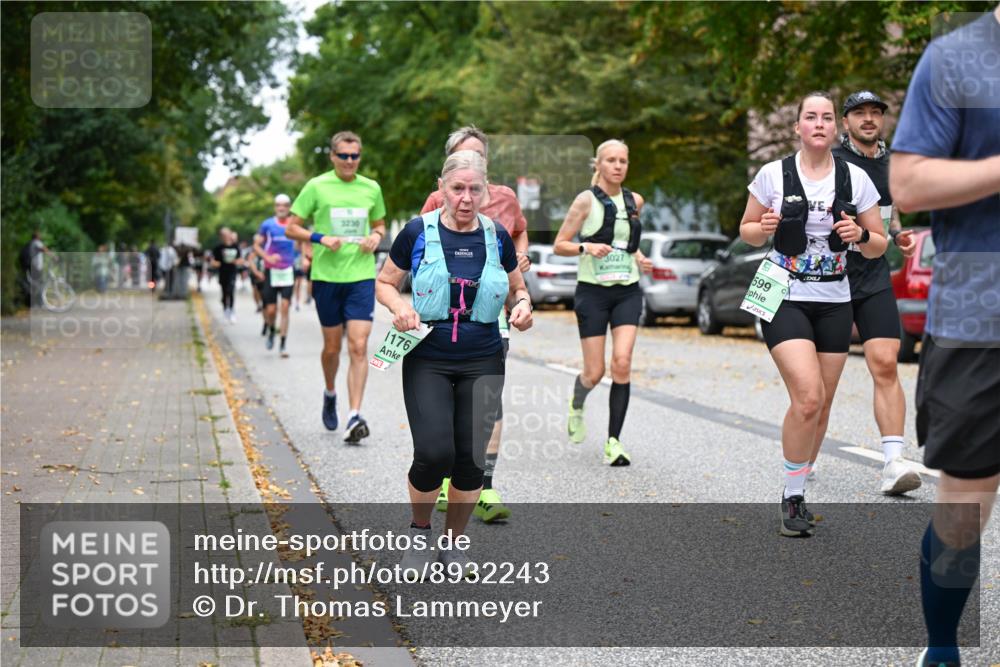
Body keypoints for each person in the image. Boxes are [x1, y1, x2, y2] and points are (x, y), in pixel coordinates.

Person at [889, 8, 1000, 665]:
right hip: (978, 316)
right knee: (965, 507)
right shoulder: (954, 57)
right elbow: (907, 182)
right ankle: (942, 646)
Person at [375, 150, 533, 577]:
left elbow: (519, 288)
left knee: (470, 462)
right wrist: (398, 308)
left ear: (486, 191)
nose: (466, 197)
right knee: (432, 452)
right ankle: (420, 534)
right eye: (457, 188)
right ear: (442, 188)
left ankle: (454, 544)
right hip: (428, 353)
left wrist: (522, 307)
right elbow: (386, 283)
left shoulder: (497, 235)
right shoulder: (416, 232)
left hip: (483, 355)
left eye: (474, 189)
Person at [739, 92, 886, 537]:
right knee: (806, 395)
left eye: (826, 117)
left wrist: (859, 233)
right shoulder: (773, 174)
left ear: (834, 127)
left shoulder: (855, 178)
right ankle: (792, 496)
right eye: (810, 117)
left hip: (835, 298)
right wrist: (760, 227)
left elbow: (878, 244)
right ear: (798, 127)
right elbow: (746, 231)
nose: (818, 124)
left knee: (820, 403)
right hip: (782, 294)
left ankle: (799, 484)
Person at [421, 126, 532, 523]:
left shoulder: (505, 198)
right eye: (463, 158)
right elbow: (419, 251)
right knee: (449, 405)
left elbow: (520, 236)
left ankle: (484, 487)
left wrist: (520, 259)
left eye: (478, 158)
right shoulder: (437, 199)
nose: (471, 166)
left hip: (492, 318)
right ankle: (450, 481)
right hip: (444, 322)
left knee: (486, 402)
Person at [830, 90, 922, 495]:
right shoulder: (832, 163)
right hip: (829, 280)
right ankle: (804, 453)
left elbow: (891, 208)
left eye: (875, 113)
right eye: (859, 113)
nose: (869, 119)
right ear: (845, 122)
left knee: (885, 362)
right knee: (820, 383)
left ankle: (894, 462)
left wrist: (897, 234)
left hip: (873, 276)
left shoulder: (891, 163)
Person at [553, 139, 653, 467]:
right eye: (611, 160)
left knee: (621, 362)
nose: (618, 166)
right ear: (598, 164)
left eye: (623, 160)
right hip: (592, 292)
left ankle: (614, 442)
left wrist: (639, 256)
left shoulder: (634, 200)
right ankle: (577, 403)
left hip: (627, 290)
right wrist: (586, 248)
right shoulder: (585, 201)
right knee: (594, 372)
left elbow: (624, 241)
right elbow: (560, 244)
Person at [286, 131, 387, 443]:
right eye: (343, 155)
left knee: (358, 346)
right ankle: (330, 393)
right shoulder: (317, 186)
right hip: (327, 278)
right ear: (332, 156)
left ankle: (354, 414)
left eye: (354, 156)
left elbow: (379, 224)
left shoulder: (371, 188)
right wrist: (319, 238)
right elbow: (291, 226)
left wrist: (376, 237)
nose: (349, 161)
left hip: (360, 276)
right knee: (332, 348)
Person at [255, 194, 297, 357]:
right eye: (279, 205)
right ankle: (272, 330)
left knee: (285, 307)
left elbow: (303, 241)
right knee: (271, 310)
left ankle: (283, 344)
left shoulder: (294, 224)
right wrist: (267, 257)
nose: (282, 208)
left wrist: (306, 256)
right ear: (275, 207)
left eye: (285, 205)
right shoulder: (267, 225)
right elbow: (257, 246)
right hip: (271, 271)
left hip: (288, 271)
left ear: (289, 207)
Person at [211, 228, 241, 323]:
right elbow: (213, 261)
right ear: (221, 237)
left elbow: (241, 259)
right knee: (224, 292)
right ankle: (225, 310)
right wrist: (218, 263)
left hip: (232, 272)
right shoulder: (218, 248)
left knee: (231, 290)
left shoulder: (235, 247)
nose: (226, 237)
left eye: (227, 234)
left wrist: (236, 261)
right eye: (224, 235)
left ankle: (231, 310)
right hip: (222, 273)